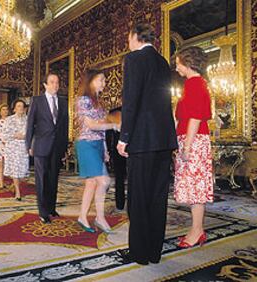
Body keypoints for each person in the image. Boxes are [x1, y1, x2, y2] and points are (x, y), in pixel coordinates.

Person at [116, 23, 178, 265]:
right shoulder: (163, 62)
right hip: (164, 139)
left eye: (128, 37)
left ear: (135, 37)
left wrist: (124, 137)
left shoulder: (134, 59)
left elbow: (130, 101)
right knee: (158, 197)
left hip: (142, 139)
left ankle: (140, 253)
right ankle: (154, 251)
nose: (128, 42)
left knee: (139, 197)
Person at [174, 46, 213, 248]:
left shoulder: (194, 83)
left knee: (196, 188)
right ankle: (197, 229)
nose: (177, 67)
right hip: (192, 139)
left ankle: (197, 231)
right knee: (194, 187)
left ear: (188, 63)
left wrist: (187, 146)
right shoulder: (195, 83)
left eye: (178, 63)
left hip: (194, 140)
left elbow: (196, 117)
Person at [75, 69, 119, 233]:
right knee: (104, 181)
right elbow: (91, 125)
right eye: (101, 79)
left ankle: (82, 216)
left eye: (104, 80)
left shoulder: (98, 103)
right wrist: (114, 125)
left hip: (98, 144)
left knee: (92, 182)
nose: (104, 83)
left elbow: (100, 130)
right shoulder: (83, 100)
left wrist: (106, 149)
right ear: (91, 81)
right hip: (86, 144)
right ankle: (100, 218)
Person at [26, 73, 69, 224]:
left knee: (53, 179)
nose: (55, 85)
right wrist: (28, 145)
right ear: (45, 84)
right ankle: (43, 212)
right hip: (40, 146)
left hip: (57, 147)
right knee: (42, 179)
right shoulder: (37, 100)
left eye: (57, 82)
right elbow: (30, 124)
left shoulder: (63, 102)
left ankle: (51, 207)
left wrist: (64, 148)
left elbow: (64, 127)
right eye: (52, 82)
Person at [4, 100, 29, 200]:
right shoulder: (9, 120)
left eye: (22, 106)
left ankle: (15, 185)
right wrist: (15, 135)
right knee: (15, 169)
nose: (20, 108)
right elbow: (4, 134)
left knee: (22, 172)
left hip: (23, 148)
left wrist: (25, 136)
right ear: (14, 108)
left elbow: (32, 133)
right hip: (12, 147)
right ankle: (18, 192)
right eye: (18, 106)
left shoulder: (28, 120)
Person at [0, 104, 9, 189]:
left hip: (9, 145)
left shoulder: (11, 121)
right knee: (0, 165)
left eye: (6, 109)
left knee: (9, 164)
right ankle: (1, 183)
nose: (5, 111)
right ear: (0, 111)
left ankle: (12, 182)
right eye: (3, 109)